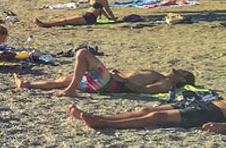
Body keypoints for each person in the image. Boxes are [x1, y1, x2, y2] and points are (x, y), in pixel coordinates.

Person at [14, 47, 195, 97]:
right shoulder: (161, 75)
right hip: (111, 80)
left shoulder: (166, 83)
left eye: (181, 71)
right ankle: (27, 84)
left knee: (83, 53)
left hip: (112, 85)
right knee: (65, 78)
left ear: (182, 78)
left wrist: (122, 80)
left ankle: (71, 90)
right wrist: (120, 73)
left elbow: (144, 91)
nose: (176, 69)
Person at [68, 95, 226, 130]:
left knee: (157, 117)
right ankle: (98, 117)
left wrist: (221, 126)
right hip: (206, 103)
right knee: (146, 110)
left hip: (212, 113)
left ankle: (103, 123)